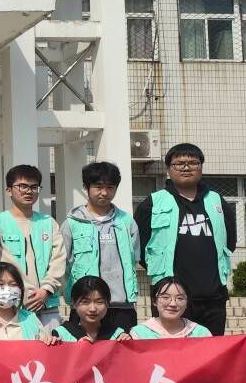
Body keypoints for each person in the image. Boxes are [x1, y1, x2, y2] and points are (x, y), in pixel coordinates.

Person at [135, 144, 236, 336]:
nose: (186, 167)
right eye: (179, 163)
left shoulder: (217, 201)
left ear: (201, 167)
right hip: (170, 298)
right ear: (168, 168)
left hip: (212, 296)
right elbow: (138, 248)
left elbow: (230, 241)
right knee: (171, 351)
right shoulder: (153, 202)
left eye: (193, 163)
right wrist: (161, 273)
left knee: (210, 350)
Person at [62, 161, 142, 332]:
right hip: (85, 308)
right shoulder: (71, 224)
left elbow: (134, 259)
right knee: (84, 349)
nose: (104, 193)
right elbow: (64, 265)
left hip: (121, 306)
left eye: (110, 187)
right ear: (86, 187)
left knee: (122, 349)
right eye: (98, 187)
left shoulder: (127, 222)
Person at [0, 164, 65, 329]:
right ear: (8, 190)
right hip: (11, 304)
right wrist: (26, 291)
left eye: (34, 187)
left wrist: (46, 290)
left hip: (48, 303)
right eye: (22, 186)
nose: (29, 191)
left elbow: (59, 260)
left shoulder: (48, 223)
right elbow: (2, 259)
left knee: (51, 343)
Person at [53, 276, 131, 342]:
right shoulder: (61, 335)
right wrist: (50, 343)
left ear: (108, 303)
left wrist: (128, 344)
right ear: (74, 303)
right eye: (85, 302)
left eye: (99, 302)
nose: (93, 309)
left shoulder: (118, 335)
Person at [131, 276, 213, 339]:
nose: (173, 304)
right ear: (154, 301)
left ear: (187, 303)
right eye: (165, 297)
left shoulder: (201, 334)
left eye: (180, 298)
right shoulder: (139, 334)